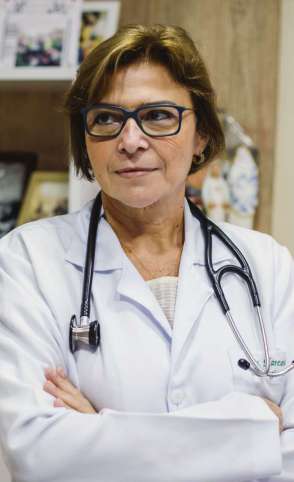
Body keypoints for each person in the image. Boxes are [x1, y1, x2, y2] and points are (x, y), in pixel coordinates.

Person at [0, 24, 293, 482]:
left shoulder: (268, 266)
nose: (130, 139)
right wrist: (252, 430)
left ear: (201, 135)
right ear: (86, 141)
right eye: (106, 118)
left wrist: (98, 432)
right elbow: (36, 452)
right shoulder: (26, 262)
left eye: (158, 116)